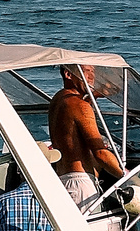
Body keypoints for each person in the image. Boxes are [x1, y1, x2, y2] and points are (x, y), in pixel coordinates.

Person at [47, 65, 124, 206]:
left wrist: (93, 95)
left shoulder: (58, 99)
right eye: (85, 71)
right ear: (68, 74)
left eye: (93, 72)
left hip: (64, 180)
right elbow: (100, 153)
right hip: (81, 185)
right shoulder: (80, 106)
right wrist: (126, 175)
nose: (91, 76)